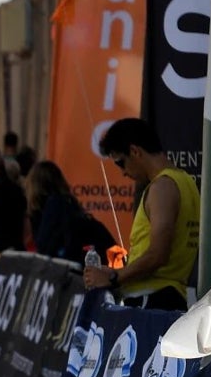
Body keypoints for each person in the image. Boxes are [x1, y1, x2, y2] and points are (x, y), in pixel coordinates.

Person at [84, 117, 201, 311]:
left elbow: (158, 255)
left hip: (152, 298)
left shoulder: (162, 187)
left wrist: (113, 278)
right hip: (165, 296)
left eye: (121, 163)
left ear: (135, 151)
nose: (123, 173)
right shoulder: (185, 182)